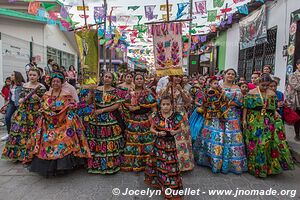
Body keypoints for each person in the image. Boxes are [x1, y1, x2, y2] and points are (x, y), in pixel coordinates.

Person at [25, 72, 91, 177]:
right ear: (50, 83)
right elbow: (43, 106)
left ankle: (64, 166)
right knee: (45, 139)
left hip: (64, 122)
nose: (55, 83)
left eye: (58, 81)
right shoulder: (46, 94)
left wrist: (68, 109)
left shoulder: (66, 94)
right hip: (48, 123)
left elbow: (74, 105)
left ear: (61, 83)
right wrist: (45, 111)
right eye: (53, 81)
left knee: (65, 137)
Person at [243, 73, 294, 178]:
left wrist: (276, 114)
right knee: (256, 143)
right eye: (263, 85)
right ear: (258, 83)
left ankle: (267, 168)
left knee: (265, 144)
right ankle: (255, 168)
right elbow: (246, 107)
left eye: (267, 85)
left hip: (268, 121)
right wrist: (244, 119)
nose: (265, 87)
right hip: (254, 120)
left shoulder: (272, 93)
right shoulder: (251, 93)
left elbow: (274, 108)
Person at [2, 68, 46, 161]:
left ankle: (33, 154)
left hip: (35, 112)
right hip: (24, 111)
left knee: (34, 131)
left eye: (34, 75)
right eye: (30, 75)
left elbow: (45, 100)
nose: (32, 77)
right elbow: (21, 96)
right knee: (20, 131)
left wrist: (38, 98)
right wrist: (21, 99)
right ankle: (19, 155)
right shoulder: (25, 85)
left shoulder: (41, 86)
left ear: (38, 76)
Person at [144, 95, 184, 200]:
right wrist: (157, 133)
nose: (165, 107)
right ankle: (161, 182)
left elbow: (180, 128)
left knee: (170, 164)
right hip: (159, 143)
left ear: (171, 105)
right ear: (160, 105)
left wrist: (175, 131)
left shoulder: (176, 116)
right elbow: (151, 129)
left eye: (168, 104)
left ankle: (171, 184)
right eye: (163, 104)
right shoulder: (156, 116)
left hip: (170, 144)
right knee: (160, 163)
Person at [85, 72, 125, 174]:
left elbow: (116, 105)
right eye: (106, 77)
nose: (107, 79)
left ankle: (110, 164)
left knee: (109, 141)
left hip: (110, 117)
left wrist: (102, 110)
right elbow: (88, 102)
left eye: (109, 77)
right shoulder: (97, 89)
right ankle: (96, 165)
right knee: (97, 139)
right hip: (96, 118)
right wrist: (91, 93)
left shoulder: (116, 91)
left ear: (112, 80)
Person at [121, 73, 157, 172]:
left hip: (146, 119)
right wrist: (131, 108)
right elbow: (126, 105)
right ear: (134, 80)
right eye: (137, 79)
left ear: (144, 80)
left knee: (146, 140)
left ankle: (147, 163)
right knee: (134, 140)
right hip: (134, 119)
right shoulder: (130, 92)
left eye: (141, 79)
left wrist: (155, 120)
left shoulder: (148, 92)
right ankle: (134, 163)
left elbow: (153, 108)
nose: (139, 80)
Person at [160, 76, 194, 172]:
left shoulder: (184, 90)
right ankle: (168, 163)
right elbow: (160, 98)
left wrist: (181, 91)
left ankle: (183, 165)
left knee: (181, 139)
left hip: (180, 115)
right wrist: (167, 88)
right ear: (171, 78)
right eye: (176, 76)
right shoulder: (165, 88)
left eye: (180, 77)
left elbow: (188, 101)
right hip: (168, 115)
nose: (178, 78)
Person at [193, 77, 227, 172]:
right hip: (212, 118)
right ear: (210, 84)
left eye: (217, 83)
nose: (217, 85)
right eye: (215, 83)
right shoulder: (212, 92)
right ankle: (211, 160)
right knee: (213, 137)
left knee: (212, 137)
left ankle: (213, 161)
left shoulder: (215, 92)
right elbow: (213, 103)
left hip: (213, 118)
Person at [221, 69, 247, 174]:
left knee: (233, 139)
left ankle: (234, 163)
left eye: (233, 74)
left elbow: (241, 103)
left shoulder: (237, 88)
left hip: (233, 116)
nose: (230, 75)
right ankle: (218, 162)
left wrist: (232, 104)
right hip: (221, 115)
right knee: (221, 138)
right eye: (229, 73)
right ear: (225, 75)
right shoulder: (219, 86)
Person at [1, 72, 25, 142]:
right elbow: (10, 95)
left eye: (12, 75)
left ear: (16, 76)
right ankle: (9, 134)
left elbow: (25, 94)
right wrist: (6, 105)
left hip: (19, 104)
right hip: (12, 103)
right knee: (7, 117)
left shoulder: (22, 85)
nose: (11, 76)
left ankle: (20, 134)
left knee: (20, 119)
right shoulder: (11, 85)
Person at [287, 59, 300, 141]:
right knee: (298, 117)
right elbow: (297, 86)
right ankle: (297, 134)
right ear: (297, 65)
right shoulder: (293, 75)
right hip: (297, 100)